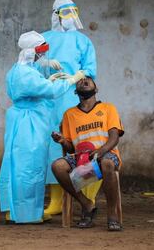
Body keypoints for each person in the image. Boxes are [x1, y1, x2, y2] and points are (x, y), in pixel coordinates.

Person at [0, 31, 85, 223]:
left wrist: (48, 78)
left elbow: (36, 86)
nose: (42, 56)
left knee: (18, 165)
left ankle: (17, 210)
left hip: (22, 121)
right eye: (41, 51)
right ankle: (24, 214)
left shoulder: (17, 70)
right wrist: (70, 80)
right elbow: (49, 91)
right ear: (32, 51)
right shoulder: (25, 74)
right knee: (29, 166)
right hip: (30, 124)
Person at [42, 0, 99, 217]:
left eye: (73, 10)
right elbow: (32, 62)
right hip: (49, 101)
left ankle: (89, 197)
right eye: (65, 12)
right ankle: (56, 200)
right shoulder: (44, 38)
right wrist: (45, 65)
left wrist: (76, 76)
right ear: (56, 14)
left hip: (75, 99)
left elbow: (90, 69)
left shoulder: (83, 41)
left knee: (83, 146)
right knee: (54, 147)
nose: (71, 16)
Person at [51, 76, 124, 230]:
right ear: (75, 91)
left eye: (88, 80)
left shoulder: (108, 108)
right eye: (80, 81)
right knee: (57, 166)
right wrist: (62, 140)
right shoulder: (69, 114)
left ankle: (112, 216)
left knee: (107, 163)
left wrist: (100, 152)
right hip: (81, 159)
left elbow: (114, 137)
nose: (83, 81)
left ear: (95, 89)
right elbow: (70, 148)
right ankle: (86, 204)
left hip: (105, 155)